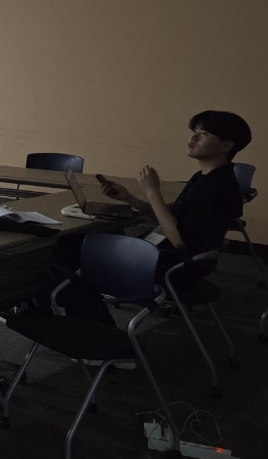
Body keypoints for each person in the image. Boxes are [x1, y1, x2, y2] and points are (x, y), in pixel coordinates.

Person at [56, 110, 251, 325]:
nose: (193, 137)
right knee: (73, 245)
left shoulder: (220, 188)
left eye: (204, 134)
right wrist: (129, 198)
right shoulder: (204, 177)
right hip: (162, 254)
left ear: (226, 145)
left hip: (175, 267)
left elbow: (180, 240)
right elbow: (168, 217)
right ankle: (84, 320)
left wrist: (152, 192)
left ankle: (94, 328)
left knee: (70, 252)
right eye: (194, 131)